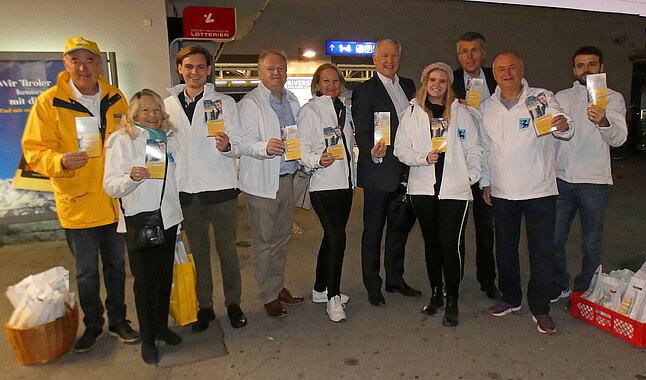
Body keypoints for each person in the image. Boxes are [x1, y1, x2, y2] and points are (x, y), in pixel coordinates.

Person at [21, 37, 139, 353]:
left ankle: (118, 321)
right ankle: (93, 325)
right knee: (87, 273)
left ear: (99, 64)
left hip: (114, 202)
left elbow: (130, 140)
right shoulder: (50, 102)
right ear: (66, 64)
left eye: (89, 60)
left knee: (116, 267)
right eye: (76, 60)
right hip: (78, 204)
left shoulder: (117, 98)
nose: (83, 67)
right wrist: (58, 161)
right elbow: (33, 150)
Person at [480, 52, 573, 334]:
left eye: (512, 67)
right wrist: (486, 182)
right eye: (500, 69)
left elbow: (562, 123)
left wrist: (563, 124)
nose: (506, 73)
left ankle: (540, 307)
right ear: (493, 74)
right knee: (505, 249)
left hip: (539, 189)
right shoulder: (487, 106)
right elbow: (485, 149)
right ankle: (511, 298)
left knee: (542, 251)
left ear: (522, 69)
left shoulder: (541, 96)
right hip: (503, 190)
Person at [164, 45, 247, 331]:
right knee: (199, 254)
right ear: (180, 69)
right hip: (187, 193)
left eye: (200, 67)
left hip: (221, 189)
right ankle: (206, 307)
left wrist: (228, 146)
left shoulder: (224, 102)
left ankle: (234, 304)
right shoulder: (167, 105)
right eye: (189, 66)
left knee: (228, 253)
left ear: (209, 70)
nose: (195, 72)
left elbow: (237, 141)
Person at [394, 62, 483, 327]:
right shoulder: (411, 113)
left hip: (454, 190)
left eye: (443, 81)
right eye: (432, 80)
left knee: (450, 245)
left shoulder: (462, 113)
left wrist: (471, 176)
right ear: (425, 83)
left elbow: (475, 148)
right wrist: (423, 157)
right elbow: (400, 149)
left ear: (448, 85)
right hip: (423, 188)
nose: (437, 85)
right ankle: (436, 295)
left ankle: (452, 299)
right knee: (432, 245)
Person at [103, 89, 182, 364]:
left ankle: (161, 327)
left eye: (157, 109)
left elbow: (174, 180)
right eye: (146, 110)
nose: (152, 115)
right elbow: (110, 185)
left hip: (168, 219)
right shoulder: (122, 140)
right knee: (145, 283)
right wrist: (131, 177)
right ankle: (148, 339)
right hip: (141, 220)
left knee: (163, 279)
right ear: (134, 113)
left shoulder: (169, 139)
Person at [552, 46, 628, 299]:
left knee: (591, 243)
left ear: (601, 67)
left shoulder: (613, 98)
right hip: (561, 180)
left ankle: (585, 290)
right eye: (581, 65)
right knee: (554, 238)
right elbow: (551, 136)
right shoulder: (560, 97)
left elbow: (619, 139)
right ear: (573, 70)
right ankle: (559, 284)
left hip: (594, 182)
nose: (586, 70)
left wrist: (604, 122)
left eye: (592, 64)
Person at [352, 38, 420, 307]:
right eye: (384, 56)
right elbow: (363, 130)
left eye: (394, 56)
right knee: (373, 231)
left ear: (399, 58)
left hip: (406, 170)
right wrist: (371, 151)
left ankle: (395, 278)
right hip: (379, 171)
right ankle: (372, 284)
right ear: (374, 59)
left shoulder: (409, 86)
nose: (389, 61)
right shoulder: (364, 90)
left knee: (399, 227)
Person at [238, 50, 304, 318]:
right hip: (262, 184)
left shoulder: (292, 100)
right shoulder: (250, 103)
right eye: (270, 69)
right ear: (260, 72)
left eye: (281, 69)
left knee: (281, 239)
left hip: (288, 177)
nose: (277, 73)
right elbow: (244, 142)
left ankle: (278, 287)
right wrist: (265, 146)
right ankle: (267, 294)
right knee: (264, 241)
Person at [296, 63, 355, 322]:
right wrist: (318, 160)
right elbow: (300, 151)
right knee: (337, 238)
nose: (331, 86)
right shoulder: (310, 112)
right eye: (326, 81)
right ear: (317, 85)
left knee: (331, 239)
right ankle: (333, 296)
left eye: (335, 81)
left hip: (346, 185)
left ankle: (320, 289)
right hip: (323, 186)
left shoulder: (346, 111)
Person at [452, 32, 500, 300]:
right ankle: (453, 279)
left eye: (474, 51)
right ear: (458, 55)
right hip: (459, 163)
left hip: (491, 163)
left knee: (486, 228)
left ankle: (487, 279)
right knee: (455, 228)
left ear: (483, 52)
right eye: (463, 51)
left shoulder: (498, 78)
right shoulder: (449, 81)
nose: (469, 56)